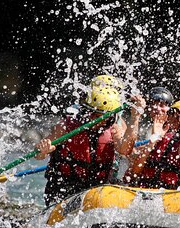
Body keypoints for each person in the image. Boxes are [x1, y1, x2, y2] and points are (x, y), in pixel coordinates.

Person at [34, 75, 145, 205]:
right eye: (94, 114)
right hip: (65, 188)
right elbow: (38, 154)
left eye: (102, 117)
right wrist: (42, 150)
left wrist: (135, 117)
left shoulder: (115, 125)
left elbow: (125, 150)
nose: (96, 120)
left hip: (100, 186)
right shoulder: (66, 126)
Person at [125, 99, 180, 189]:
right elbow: (133, 173)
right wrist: (153, 140)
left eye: (173, 114)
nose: (168, 118)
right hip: (148, 195)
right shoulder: (161, 140)